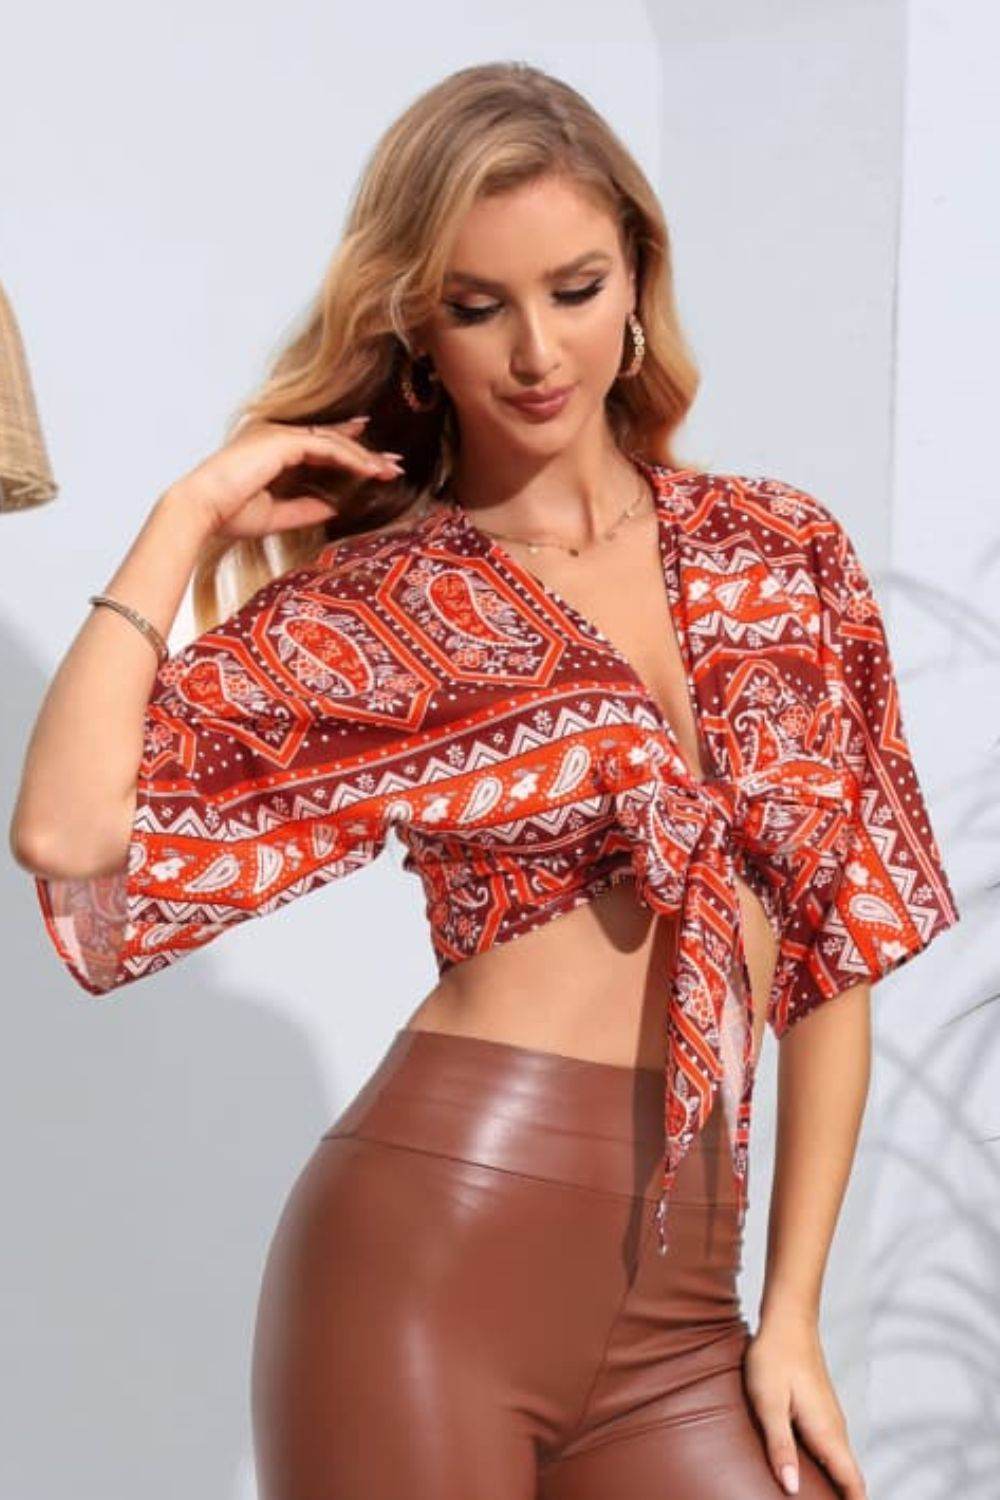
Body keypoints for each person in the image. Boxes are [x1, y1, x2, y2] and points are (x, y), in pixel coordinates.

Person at [11, 60, 960, 1500]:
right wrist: (185, 518)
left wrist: (795, 1316)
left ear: (637, 281)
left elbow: (838, 940)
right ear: (419, 333)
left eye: (574, 289)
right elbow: (69, 833)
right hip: (429, 1267)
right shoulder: (385, 605)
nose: (535, 351)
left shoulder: (781, 551)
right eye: (477, 307)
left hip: (689, 1302)